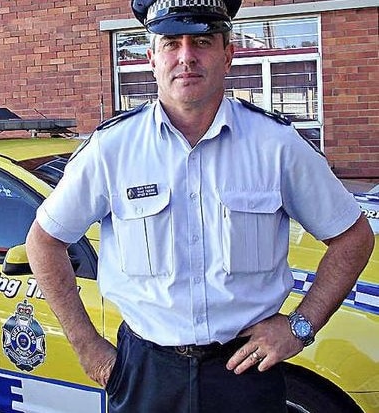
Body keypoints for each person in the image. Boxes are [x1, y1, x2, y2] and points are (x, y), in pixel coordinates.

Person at [25, 0, 375, 411]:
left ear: (229, 53)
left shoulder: (276, 146)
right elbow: (44, 242)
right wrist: (87, 348)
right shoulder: (112, 150)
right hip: (145, 373)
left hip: (245, 372)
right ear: (151, 57)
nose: (186, 57)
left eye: (203, 41)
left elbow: (353, 238)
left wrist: (300, 326)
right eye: (171, 43)